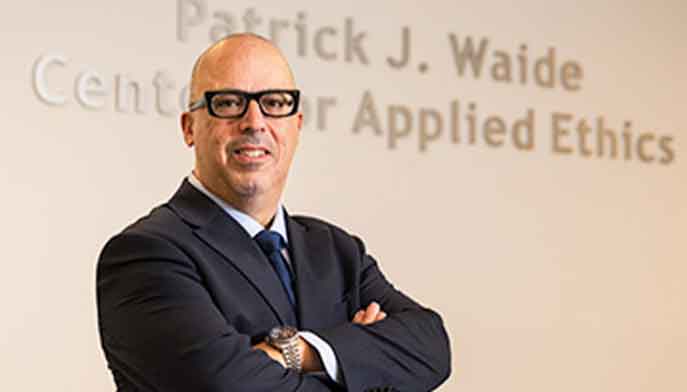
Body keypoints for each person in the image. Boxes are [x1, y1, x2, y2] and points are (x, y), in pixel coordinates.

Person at [96, 33, 451, 392]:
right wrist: (360, 362)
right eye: (230, 103)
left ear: (296, 126)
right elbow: (226, 387)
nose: (254, 122)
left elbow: (431, 347)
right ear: (190, 128)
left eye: (275, 103)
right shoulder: (145, 255)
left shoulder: (336, 250)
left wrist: (298, 351)